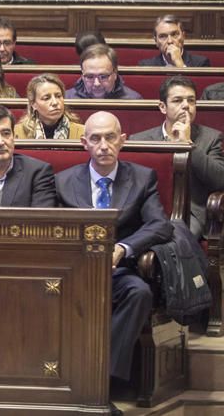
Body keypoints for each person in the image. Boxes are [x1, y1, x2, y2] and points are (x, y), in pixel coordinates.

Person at [56, 111, 172, 408]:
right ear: (84, 143)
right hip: (75, 272)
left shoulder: (142, 178)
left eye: (110, 137)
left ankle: (98, 380)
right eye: (95, 138)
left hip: (119, 271)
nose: (104, 145)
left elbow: (160, 225)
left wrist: (124, 247)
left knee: (140, 292)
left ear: (123, 140)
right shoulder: (64, 182)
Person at [130, 76, 224, 239]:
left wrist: (188, 144)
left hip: (190, 214)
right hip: (147, 210)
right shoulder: (139, 140)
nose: (186, 106)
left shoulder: (211, 138)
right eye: (177, 100)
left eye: (191, 100)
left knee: (175, 238)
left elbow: (220, 179)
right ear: (162, 107)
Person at [14, 73, 84, 139]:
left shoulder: (81, 132)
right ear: (33, 104)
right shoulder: (17, 133)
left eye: (58, 96)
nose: (55, 102)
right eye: (46, 98)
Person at [66, 44, 142, 99]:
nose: (96, 83)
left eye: (103, 76)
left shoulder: (133, 99)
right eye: (90, 77)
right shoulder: (67, 99)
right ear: (82, 75)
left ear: (115, 74)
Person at [138, 15, 210, 68]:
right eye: (163, 36)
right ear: (156, 41)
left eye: (174, 34)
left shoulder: (201, 63)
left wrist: (179, 63)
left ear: (183, 36)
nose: (170, 41)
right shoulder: (146, 66)